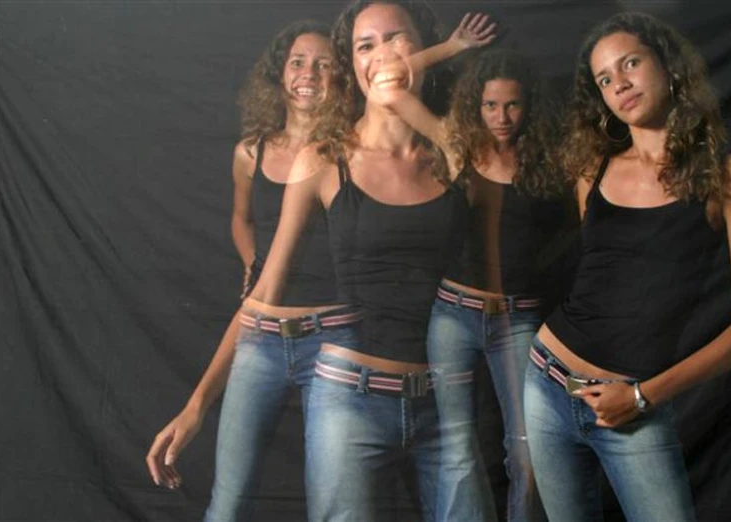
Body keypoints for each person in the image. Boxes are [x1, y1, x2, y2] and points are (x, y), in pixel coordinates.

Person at [246, 2, 495, 520]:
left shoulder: (462, 157)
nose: (382, 54)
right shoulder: (324, 158)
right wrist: (199, 403)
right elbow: (265, 294)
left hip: (448, 402)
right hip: (348, 402)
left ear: (422, 49)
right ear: (353, 65)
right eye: (365, 45)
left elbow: (493, 296)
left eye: (396, 39)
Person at [523, 12, 731, 522]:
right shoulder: (595, 169)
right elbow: (600, 280)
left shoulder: (729, 178)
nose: (621, 84)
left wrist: (640, 397)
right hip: (547, 382)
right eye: (605, 79)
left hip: (634, 407)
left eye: (630, 63)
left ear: (668, 65)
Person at [145, 21, 361, 522]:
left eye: (325, 64)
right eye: (299, 62)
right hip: (261, 331)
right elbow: (243, 219)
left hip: (335, 338)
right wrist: (250, 259)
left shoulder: (351, 153)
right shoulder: (251, 151)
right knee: (228, 502)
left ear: (343, 79)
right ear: (280, 73)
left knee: (337, 506)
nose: (309, 73)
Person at [372, 47, 567, 521]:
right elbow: (388, 85)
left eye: (513, 105)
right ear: (475, 107)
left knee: (528, 452)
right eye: (491, 105)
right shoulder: (459, 147)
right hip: (453, 316)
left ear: (529, 106)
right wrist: (453, 47)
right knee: (456, 447)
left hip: (517, 319)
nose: (502, 117)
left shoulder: (553, 161)